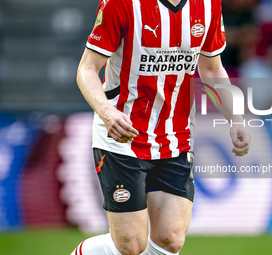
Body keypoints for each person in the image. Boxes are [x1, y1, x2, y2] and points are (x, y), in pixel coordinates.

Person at [71, 0, 251, 254]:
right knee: (130, 245)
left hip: (175, 137)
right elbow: (87, 68)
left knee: (170, 239)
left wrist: (236, 119)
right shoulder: (120, 4)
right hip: (122, 137)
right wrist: (106, 112)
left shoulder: (208, 5)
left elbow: (212, 68)